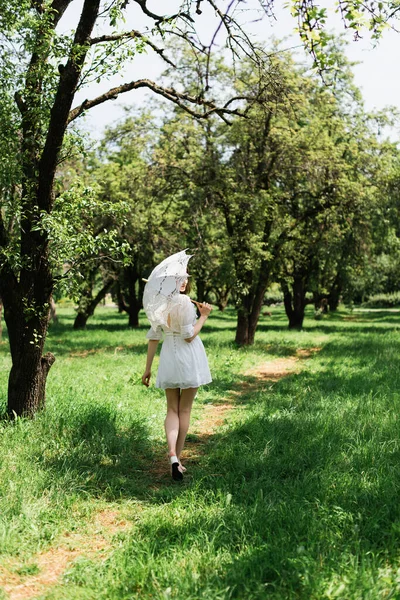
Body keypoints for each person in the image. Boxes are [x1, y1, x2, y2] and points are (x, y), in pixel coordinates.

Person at [142, 279, 212, 481]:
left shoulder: (157, 304)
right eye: (180, 278)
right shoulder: (185, 302)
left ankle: (173, 455)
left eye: (186, 278)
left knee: (172, 409)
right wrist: (204, 317)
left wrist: (148, 368)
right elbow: (189, 336)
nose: (184, 281)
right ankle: (177, 459)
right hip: (189, 356)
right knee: (185, 410)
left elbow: (154, 337)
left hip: (169, 358)